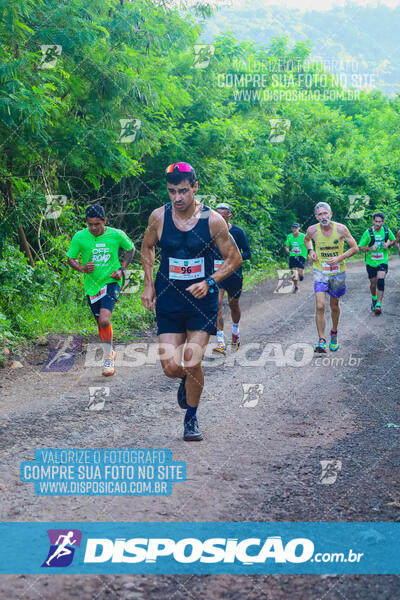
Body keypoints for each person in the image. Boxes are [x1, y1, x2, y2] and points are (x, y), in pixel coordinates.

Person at [141, 162, 242, 441]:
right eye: (172, 191)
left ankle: (191, 419)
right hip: (169, 299)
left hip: (202, 300)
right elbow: (147, 247)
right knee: (171, 367)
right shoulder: (159, 217)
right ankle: (186, 380)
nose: (178, 198)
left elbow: (234, 258)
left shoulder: (212, 221)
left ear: (195, 187)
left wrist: (210, 281)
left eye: (183, 191)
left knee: (191, 358)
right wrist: (148, 285)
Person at [67, 204, 135, 376]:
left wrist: (122, 269)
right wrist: (82, 268)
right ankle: (110, 351)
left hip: (111, 282)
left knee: (105, 320)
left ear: (105, 221)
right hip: (92, 286)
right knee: (100, 323)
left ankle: (107, 357)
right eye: (90, 224)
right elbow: (70, 258)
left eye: (97, 224)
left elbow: (131, 249)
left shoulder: (116, 234)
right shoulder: (80, 237)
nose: (93, 228)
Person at [304, 202, 358, 353]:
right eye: (320, 214)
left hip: (337, 272)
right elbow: (307, 239)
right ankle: (321, 340)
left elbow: (355, 248)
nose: (323, 217)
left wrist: (339, 258)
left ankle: (334, 332)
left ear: (331, 214)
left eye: (325, 213)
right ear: (316, 217)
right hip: (320, 271)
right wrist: (310, 251)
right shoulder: (312, 230)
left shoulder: (341, 229)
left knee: (334, 305)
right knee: (320, 305)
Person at [212, 203, 251, 355]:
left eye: (223, 216)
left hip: (234, 274)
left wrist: (234, 259)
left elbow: (248, 252)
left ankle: (235, 333)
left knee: (233, 305)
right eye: (216, 216)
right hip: (217, 275)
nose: (219, 219)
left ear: (229, 216)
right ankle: (221, 343)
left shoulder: (238, 232)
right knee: (217, 305)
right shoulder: (210, 233)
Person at [358, 212, 396, 315]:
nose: (377, 223)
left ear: (382, 222)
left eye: (379, 222)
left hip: (383, 261)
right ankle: (374, 298)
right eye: (376, 221)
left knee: (381, 280)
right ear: (373, 221)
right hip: (371, 262)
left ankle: (378, 304)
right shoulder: (368, 232)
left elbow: (394, 240)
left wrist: (388, 244)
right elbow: (360, 247)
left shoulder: (387, 231)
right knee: (373, 284)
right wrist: (370, 248)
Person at [284, 223, 307, 293]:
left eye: (296, 228)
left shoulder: (304, 236)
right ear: (291, 229)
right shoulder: (289, 236)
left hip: (301, 255)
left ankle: (301, 275)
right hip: (293, 255)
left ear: (299, 228)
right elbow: (287, 245)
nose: (294, 229)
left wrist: (309, 252)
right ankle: (296, 287)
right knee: (293, 271)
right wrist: (287, 249)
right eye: (293, 228)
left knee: (300, 272)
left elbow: (308, 244)